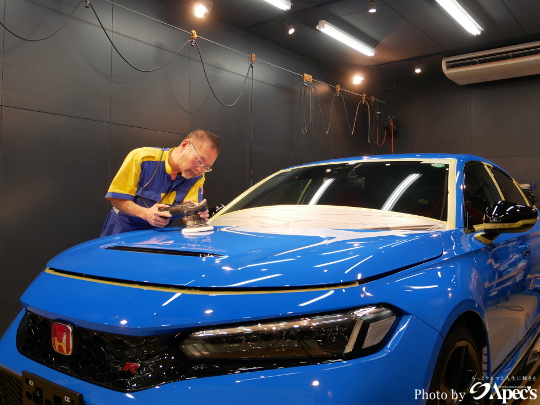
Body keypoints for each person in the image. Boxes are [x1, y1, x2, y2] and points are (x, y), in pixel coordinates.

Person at [100, 129, 220, 237]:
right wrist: (145, 213)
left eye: (206, 167)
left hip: (159, 235)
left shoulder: (198, 177)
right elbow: (116, 199)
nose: (200, 170)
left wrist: (194, 214)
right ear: (184, 145)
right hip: (122, 230)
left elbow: (188, 215)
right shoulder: (142, 158)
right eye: (199, 160)